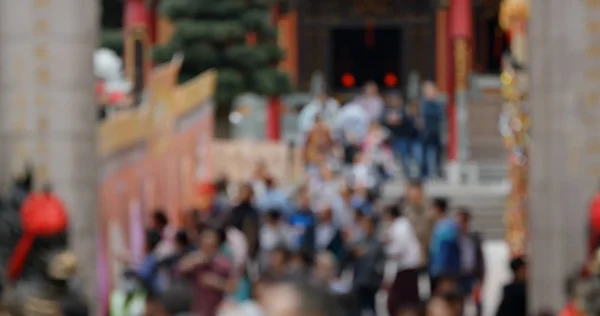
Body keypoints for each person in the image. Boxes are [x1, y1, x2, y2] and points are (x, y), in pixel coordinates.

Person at [178, 225, 233, 316]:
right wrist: (194, 261)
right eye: (205, 245)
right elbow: (179, 270)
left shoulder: (223, 263)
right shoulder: (195, 260)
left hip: (217, 311)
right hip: (197, 309)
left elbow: (232, 287)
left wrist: (217, 282)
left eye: (211, 246)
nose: (208, 249)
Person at [384, 204, 422, 316]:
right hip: (406, 266)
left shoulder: (400, 226)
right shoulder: (402, 224)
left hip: (406, 266)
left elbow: (400, 247)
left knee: (403, 299)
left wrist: (387, 250)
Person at [351, 214, 385, 316]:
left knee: (371, 307)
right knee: (357, 307)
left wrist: (378, 274)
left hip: (372, 281)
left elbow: (381, 262)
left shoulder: (377, 243)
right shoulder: (357, 241)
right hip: (359, 280)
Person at [456, 208, 485, 316]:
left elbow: (480, 258)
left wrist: (481, 276)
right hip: (459, 275)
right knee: (459, 302)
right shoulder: (454, 238)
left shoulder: (474, 238)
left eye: (462, 222)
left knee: (476, 301)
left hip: (472, 275)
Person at [428, 198, 461, 293]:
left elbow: (447, 252)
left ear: (438, 209)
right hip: (437, 270)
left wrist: (441, 270)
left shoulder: (447, 227)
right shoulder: (438, 226)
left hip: (444, 272)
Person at [229, 183, 260, 261]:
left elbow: (253, 234)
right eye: (241, 192)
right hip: (234, 245)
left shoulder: (253, 212)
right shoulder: (234, 210)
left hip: (247, 248)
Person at [419, 81, 444, 178]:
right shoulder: (423, 104)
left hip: (435, 134)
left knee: (435, 155)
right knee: (426, 156)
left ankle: (433, 173)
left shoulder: (438, 104)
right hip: (425, 135)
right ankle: (427, 174)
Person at [403, 180, 431, 266]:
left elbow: (425, 231)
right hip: (407, 253)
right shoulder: (406, 209)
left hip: (424, 250)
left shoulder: (428, 209)